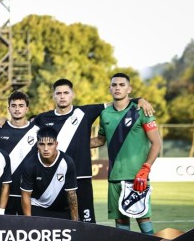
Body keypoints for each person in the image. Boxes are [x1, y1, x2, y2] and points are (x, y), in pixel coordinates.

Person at [33, 79, 155, 224]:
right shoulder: (43, 118)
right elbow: (22, 129)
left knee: (87, 222)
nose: (62, 96)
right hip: (52, 177)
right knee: (57, 222)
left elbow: (117, 102)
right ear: (53, 96)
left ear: (73, 95)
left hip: (81, 177)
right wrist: (2, 120)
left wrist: (139, 100)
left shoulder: (85, 112)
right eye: (58, 93)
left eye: (66, 93)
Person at [90, 73, 161, 234]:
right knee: (120, 220)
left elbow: (156, 143)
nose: (117, 88)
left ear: (129, 89)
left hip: (137, 176)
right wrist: (74, 143)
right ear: (109, 89)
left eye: (122, 85)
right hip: (114, 176)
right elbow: (99, 141)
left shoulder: (141, 110)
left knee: (143, 218)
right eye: (114, 85)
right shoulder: (105, 114)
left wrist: (146, 168)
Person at [0, 91, 39, 215]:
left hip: (30, 193)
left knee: (28, 230)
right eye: (13, 106)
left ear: (27, 108)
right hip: (3, 192)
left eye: (21, 105)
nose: (17, 109)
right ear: (8, 108)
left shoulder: (37, 131)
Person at [20, 127, 79, 221]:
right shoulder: (29, 164)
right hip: (37, 207)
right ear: (37, 145)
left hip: (61, 210)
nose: (46, 149)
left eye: (50, 144)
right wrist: (29, 222)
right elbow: (26, 195)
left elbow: (71, 194)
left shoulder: (67, 162)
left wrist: (76, 222)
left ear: (56, 144)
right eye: (42, 144)